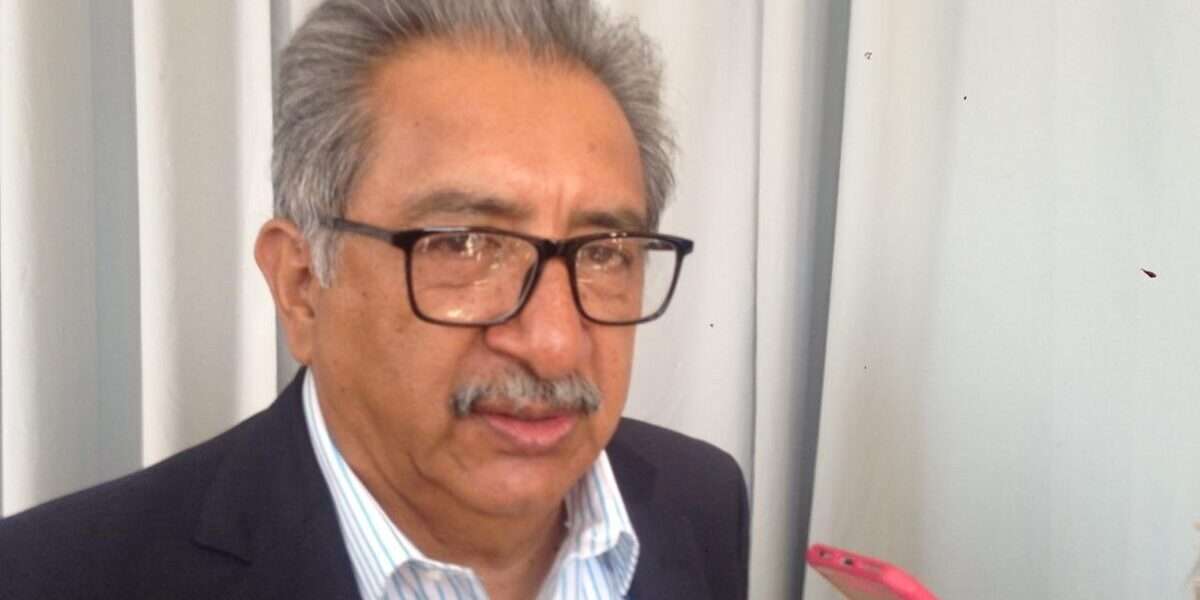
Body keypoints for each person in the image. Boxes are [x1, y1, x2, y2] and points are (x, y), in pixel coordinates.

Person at [0, 1, 749, 598]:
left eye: (606, 251)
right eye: (464, 245)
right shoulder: (51, 577)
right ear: (301, 286)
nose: (555, 343)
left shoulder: (701, 499)